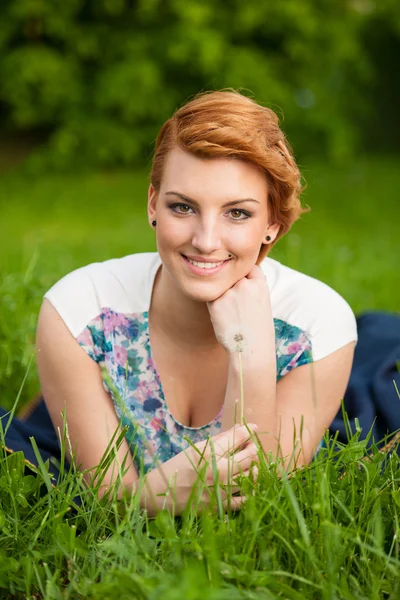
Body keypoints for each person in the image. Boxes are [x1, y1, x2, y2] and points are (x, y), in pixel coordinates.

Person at [2, 90, 359, 515]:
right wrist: (149, 499)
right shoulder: (80, 312)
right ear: (153, 205)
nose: (206, 241)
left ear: (273, 224)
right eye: (183, 207)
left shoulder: (317, 324)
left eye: (238, 213)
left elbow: (256, 505)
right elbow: (106, 502)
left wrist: (251, 354)